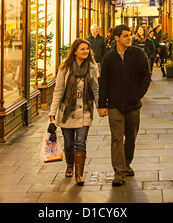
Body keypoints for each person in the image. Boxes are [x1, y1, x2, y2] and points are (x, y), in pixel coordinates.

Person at [98, 24, 151, 186]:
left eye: (130, 36)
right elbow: (104, 83)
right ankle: (119, 173)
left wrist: (137, 95)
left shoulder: (138, 54)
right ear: (117, 38)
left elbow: (145, 77)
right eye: (126, 36)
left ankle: (127, 163)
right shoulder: (108, 58)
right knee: (116, 138)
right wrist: (102, 105)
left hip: (133, 104)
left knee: (131, 137)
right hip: (114, 105)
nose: (129, 38)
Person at [48, 39, 99, 185]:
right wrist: (52, 110)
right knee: (69, 144)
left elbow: (95, 89)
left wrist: (100, 106)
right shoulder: (65, 67)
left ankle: (79, 174)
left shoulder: (91, 67)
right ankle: (70, 165)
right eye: (82, 49)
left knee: (80, 142)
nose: (85, 52)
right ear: (75, 51)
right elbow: (58, 90)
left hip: (85, 110)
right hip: (66, 111)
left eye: (87, 49)